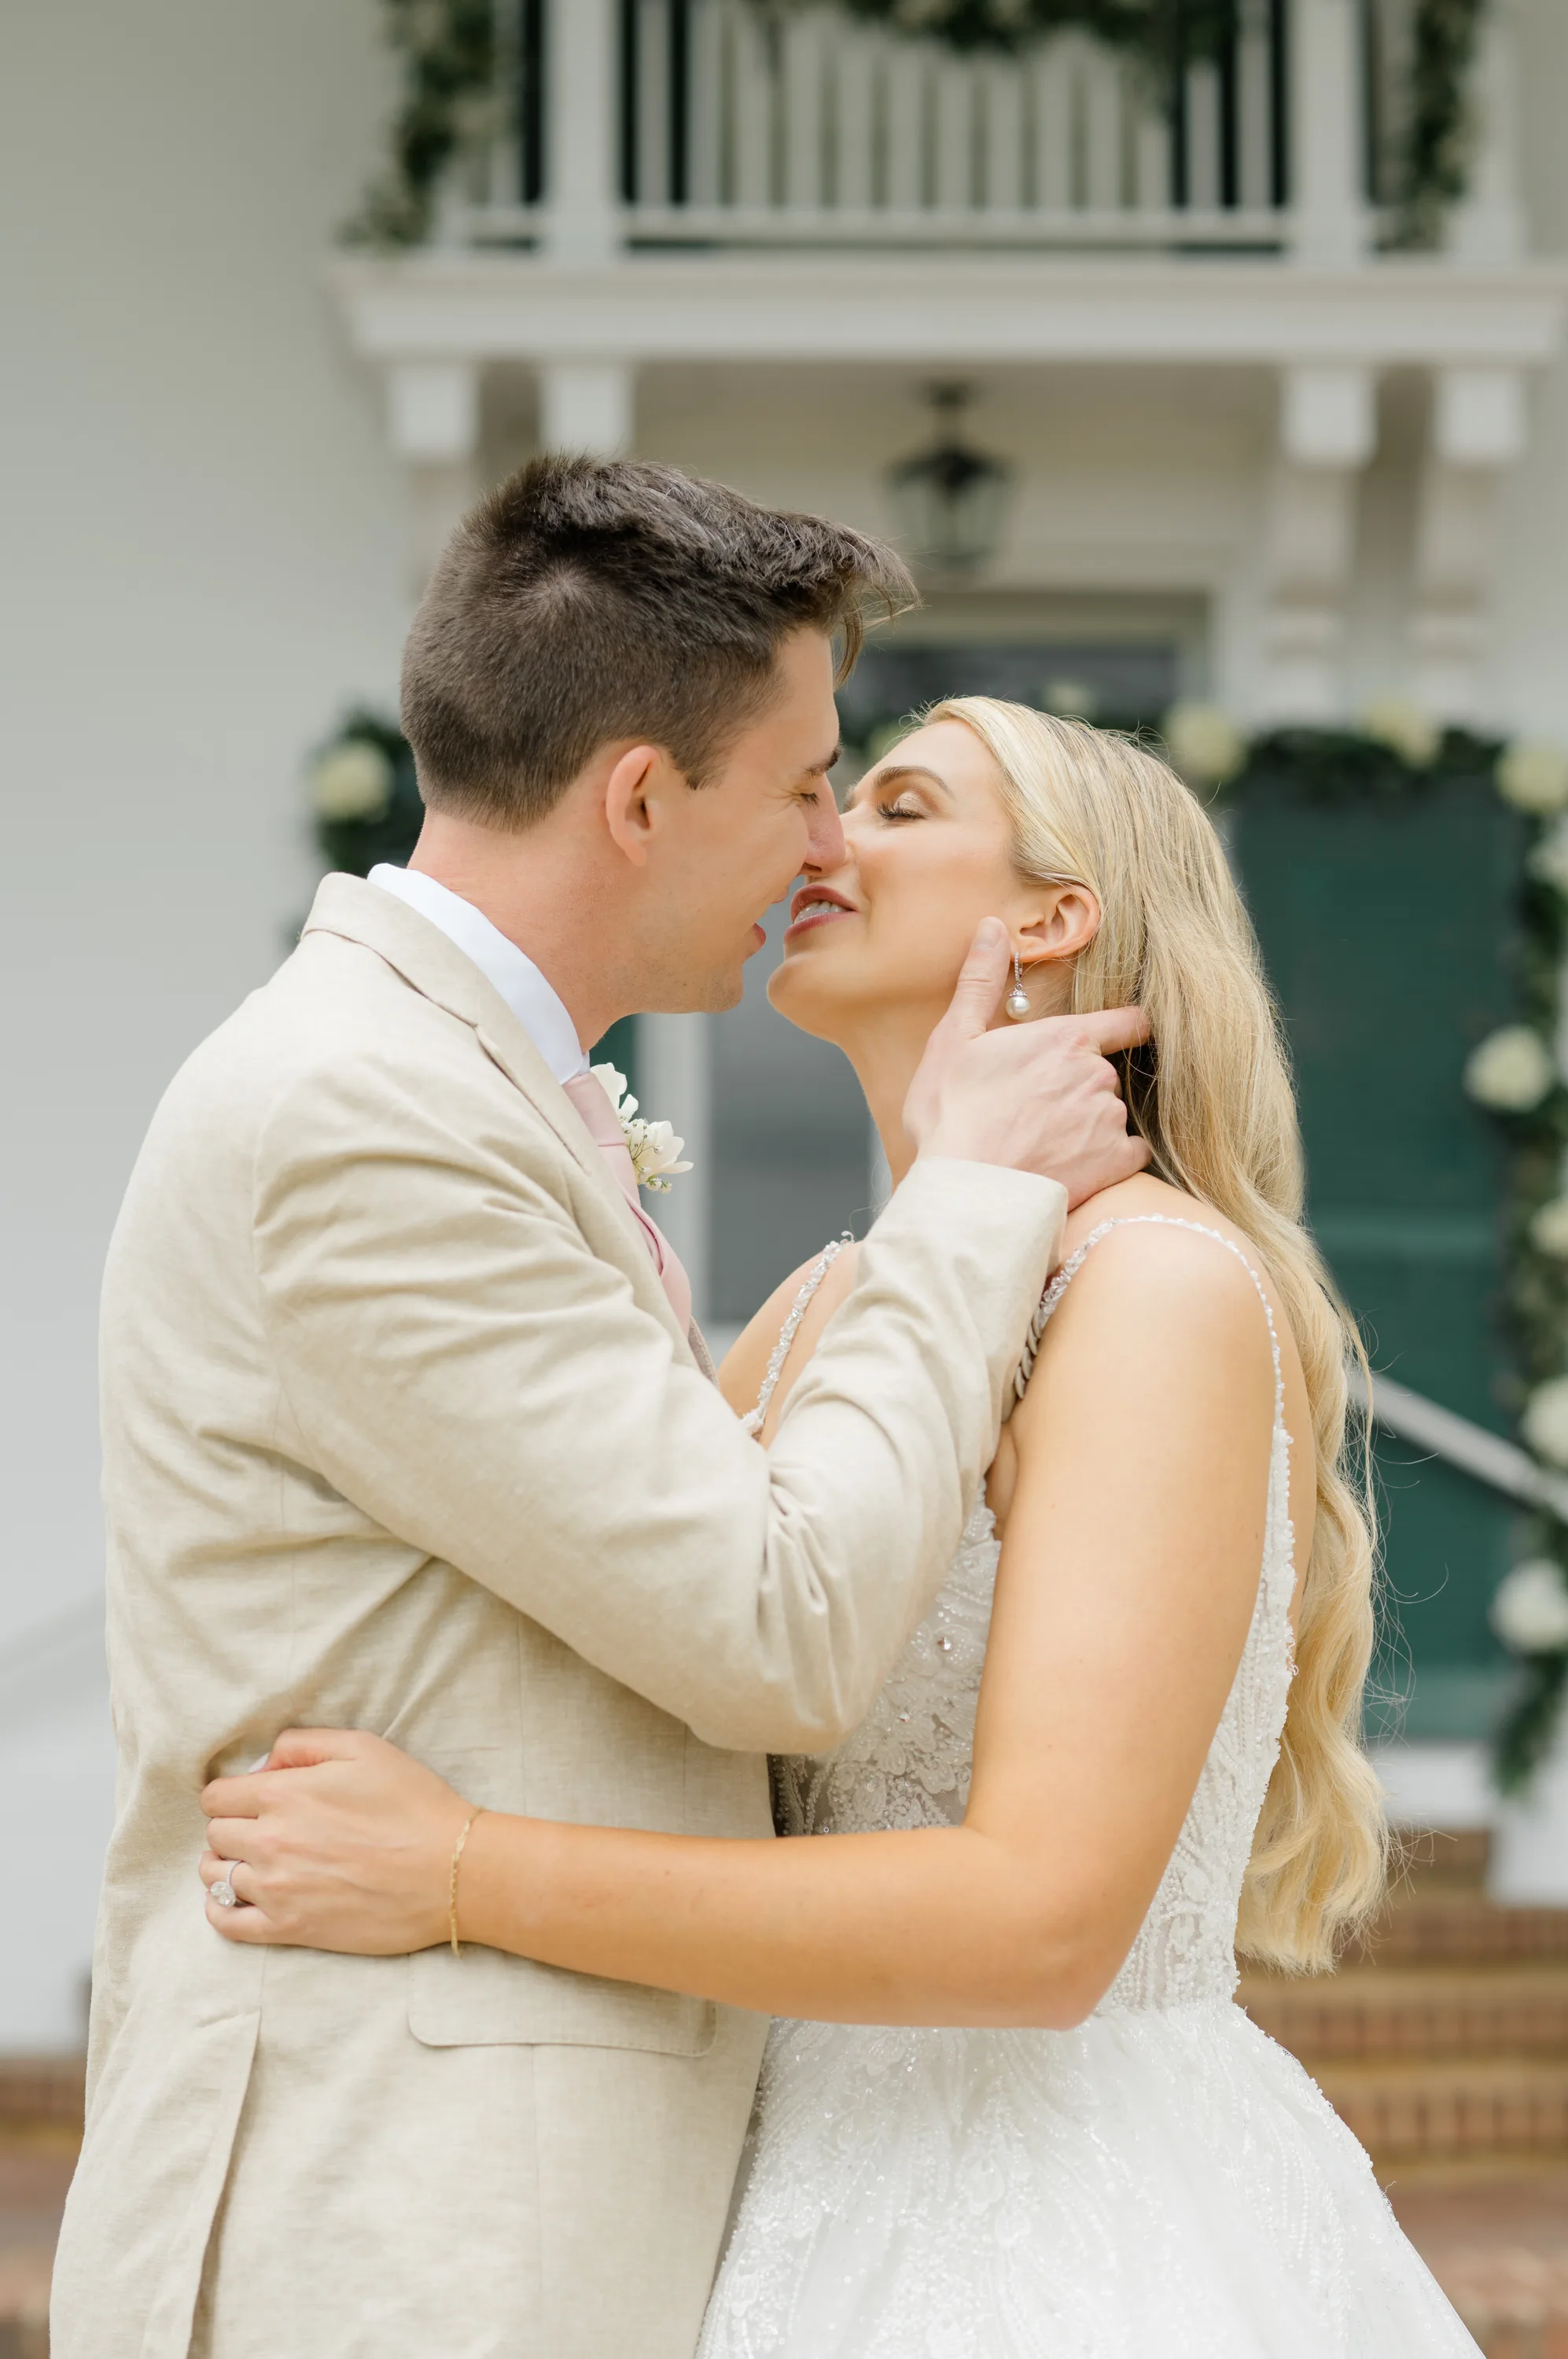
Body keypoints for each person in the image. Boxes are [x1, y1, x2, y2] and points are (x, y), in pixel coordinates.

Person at [200, 700, 1478, 2356]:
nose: (823, 841)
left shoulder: (1149, 1292)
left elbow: (1041, 1924)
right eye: (823, 799)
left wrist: (455, 1870)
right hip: (754, 2181)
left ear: (1051, 913)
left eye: (895, 803)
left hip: (1048, 2231)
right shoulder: (814, 1318)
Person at [50, 467, 1150, 2359]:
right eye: (811, 782)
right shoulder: (363, 1112)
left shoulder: (457, 1085)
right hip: (402, 2217)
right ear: (642, 797)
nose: (824, 849)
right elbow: (775, 1623)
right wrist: (967, 1201)